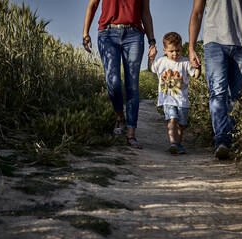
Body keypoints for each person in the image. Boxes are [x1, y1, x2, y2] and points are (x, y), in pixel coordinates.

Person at [189, 0, 242, 159]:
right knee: (218, 93)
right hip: (214, 43)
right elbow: (197, 13)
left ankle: (231, 140)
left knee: (235, 97)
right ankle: (221, 141)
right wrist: (191, 47)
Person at [83, 0, 157, 149]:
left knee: (132, 85)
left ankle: (131, 134)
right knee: (113, 81)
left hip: (134, 35)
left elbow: (145, 13)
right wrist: (85, 33)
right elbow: (92, 5)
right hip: (107, 34)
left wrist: (152, 41)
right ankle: (119, 116)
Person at [148, 32, 200, 154]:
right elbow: (151, 68)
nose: (175, 54)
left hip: (182, 100)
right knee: (172, 119)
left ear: (181, 48)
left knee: (181, 125)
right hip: (168, 100)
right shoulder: (161, 61)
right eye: (171, 51)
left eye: (178, 50)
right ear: (165, 50)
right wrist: (151, 57)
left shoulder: (185, 62)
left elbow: (195, 75)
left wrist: (198, 66)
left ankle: (178, 144)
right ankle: (173, 143)